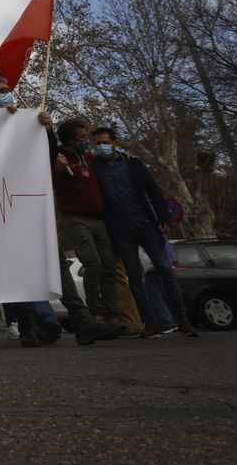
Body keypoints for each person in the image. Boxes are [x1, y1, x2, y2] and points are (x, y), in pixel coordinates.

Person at [89, 125, 197, 338]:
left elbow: (153, 189)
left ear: (115, 143)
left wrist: (163, 218)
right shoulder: (95, 168)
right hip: (120, 229)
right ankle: (149, 322)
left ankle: (183, 320)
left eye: (105, 142)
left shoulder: (132, 163)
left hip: (145, 223)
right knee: (134, 276)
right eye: (98, 143)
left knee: (164, 269)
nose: (101, 146)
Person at [51, 117, 135, 340]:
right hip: (74, 219)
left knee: (108, 266)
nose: (85, 140)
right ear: (69, 139)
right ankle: (94, 311)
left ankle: (112, 315)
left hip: (98, 218)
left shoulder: (90, 159)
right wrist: (57, 170)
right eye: (80, 137)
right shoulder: (59, 159)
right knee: (92, 263)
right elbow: (49, 185)